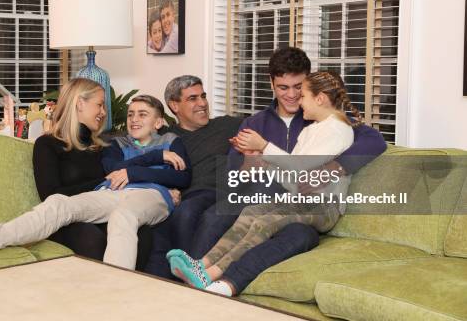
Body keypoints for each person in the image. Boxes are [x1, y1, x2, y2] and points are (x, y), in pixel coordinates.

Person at [145, 57, 386, 295]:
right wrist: (253, 162)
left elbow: (374, 140)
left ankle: (221, 281)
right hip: (262, 198)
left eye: (298, 89)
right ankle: (196, 273)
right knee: (220, 214)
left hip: (305, 206)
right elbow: (233, 176)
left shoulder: (331, 121)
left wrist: (337, 167)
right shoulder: (256, 123)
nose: (293, 96)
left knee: (297, 234)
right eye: (283, 87)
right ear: (272, 84)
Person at [0, 81, 190, 270]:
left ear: (158, 122)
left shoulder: (106, 145)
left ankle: (115, 289)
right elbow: (111, 175)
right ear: (79, 104)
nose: (104, 112)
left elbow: (173, 175)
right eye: (100, 104)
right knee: (58, 203)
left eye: (143, 114)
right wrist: (148, 163)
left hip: (134, 199)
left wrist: (146, 173)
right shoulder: (52, 144)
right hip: (108, 195)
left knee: (124, 218)